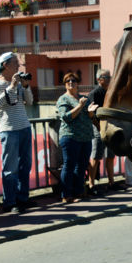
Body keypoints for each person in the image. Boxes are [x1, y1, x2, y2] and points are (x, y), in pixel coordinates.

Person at [0, 52, 36, 213]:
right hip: (9, 129)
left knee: (25, 165)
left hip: (24, 127)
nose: (18, 66)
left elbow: (29, 102)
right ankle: (9, 202)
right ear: (5, 65)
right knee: (10, 167)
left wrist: (25, 86)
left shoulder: (18, 83)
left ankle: (23, 198)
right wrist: (11, 86)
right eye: (16, 63)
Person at [56, 73, 97, 203]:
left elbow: (91, 117)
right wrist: (79, 106)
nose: (71, 82)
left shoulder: (84, 99)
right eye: (67, 81)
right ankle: (66, 195)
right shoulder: (63, 99)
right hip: (70, 137)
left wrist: (90, 112)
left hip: (85, 137)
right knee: (69, 166)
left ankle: (79, 192)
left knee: (82, 166)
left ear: (78, 83)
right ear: (65, 84)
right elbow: (66, 117)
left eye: (73, 80)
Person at [87, 69, 121, 194]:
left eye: (109, 76)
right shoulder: (94, 93)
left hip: (110, 128)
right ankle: (91, 185)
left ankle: (111, 182)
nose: (110, 79)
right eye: (107, 77)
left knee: (111, 156)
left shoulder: (110, 91)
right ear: (99, 79)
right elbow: (91, 114)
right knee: (95, 157)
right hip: (98, 129)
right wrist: (100, 127)